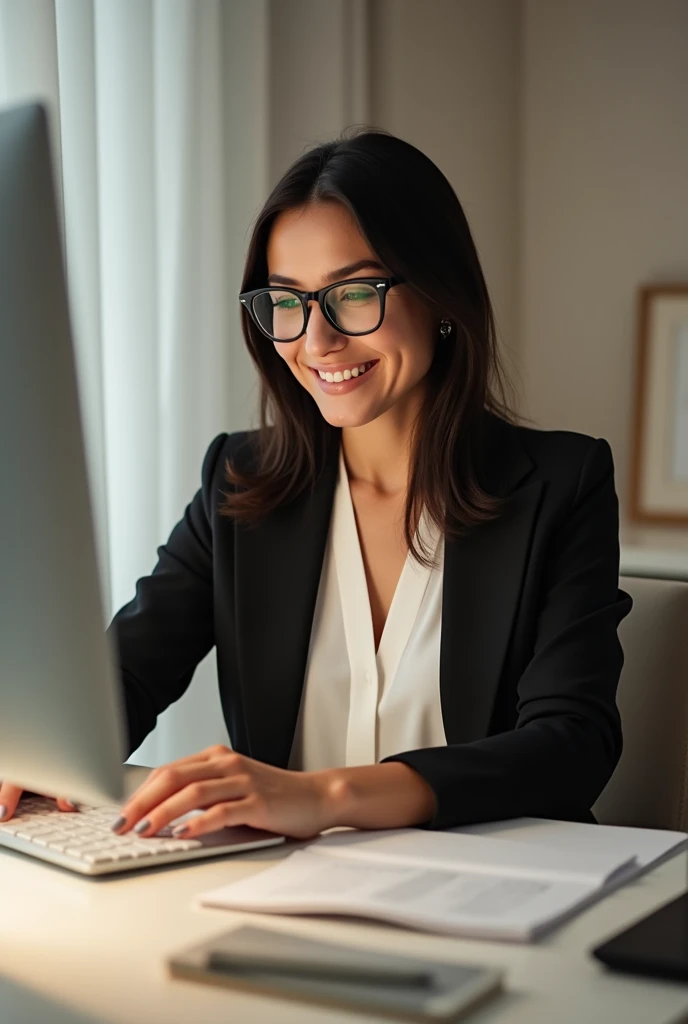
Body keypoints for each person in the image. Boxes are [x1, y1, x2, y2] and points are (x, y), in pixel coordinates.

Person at [0, 127, 632, 840]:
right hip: (282, 891)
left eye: (355, 292)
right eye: (287, 302)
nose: (317, 341)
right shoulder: (239, 485)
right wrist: (33, 747)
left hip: (498, 890)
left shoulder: (561, 484)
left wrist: (324, 795)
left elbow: (572, 745)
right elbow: (124, 676)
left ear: (441, 294)